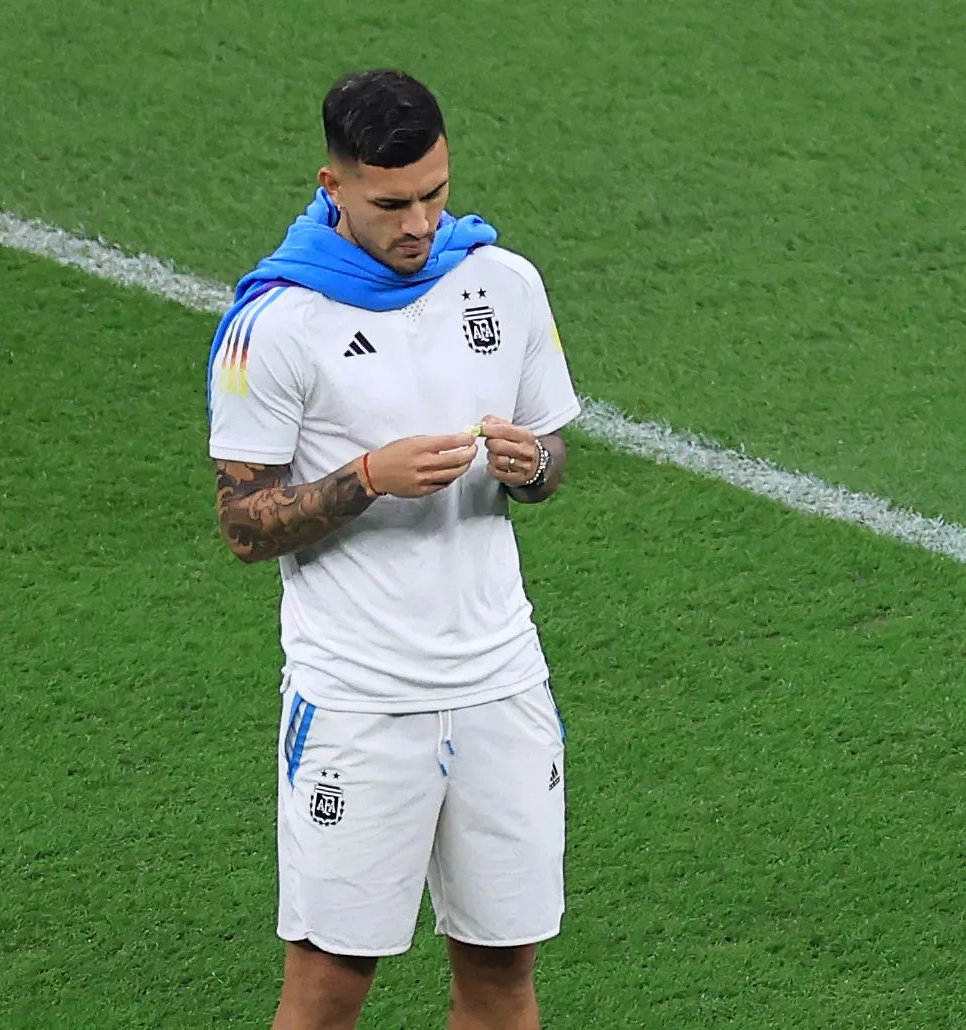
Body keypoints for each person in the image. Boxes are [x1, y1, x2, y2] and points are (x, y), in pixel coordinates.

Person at [206, 68, 580, 1030]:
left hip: (501, 682)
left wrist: (533, 462)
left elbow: (551, 461)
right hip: (360, 699)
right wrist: (366, 478)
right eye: (390, 203)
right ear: (333, 187)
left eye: (433, 195)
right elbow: (244, 525)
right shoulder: (274, 326)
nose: (418, 224)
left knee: (503, 968)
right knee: (331, 985)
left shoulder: (503, 280)